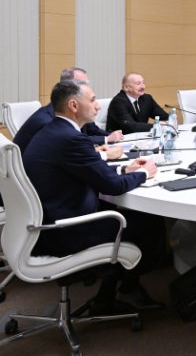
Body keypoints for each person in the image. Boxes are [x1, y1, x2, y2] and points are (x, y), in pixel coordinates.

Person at [22, 79, 167, 312]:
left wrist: (124, 169)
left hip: (45, 224)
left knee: (123, 214)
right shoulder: (71, 138)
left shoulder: (54, 131)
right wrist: (143, 173)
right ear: (73, 105)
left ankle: (108, 294)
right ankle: (122, 289)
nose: (98, 105)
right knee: (151, 224)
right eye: (92, 100)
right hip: (66, 231)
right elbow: (112, 187)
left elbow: (89, 172)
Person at [13, 67, 124, 153]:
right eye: (81, 84)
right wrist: (106, 141)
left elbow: (92, 131)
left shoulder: (78, 111)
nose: (86, 88)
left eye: (87, 83)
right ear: (67, 87)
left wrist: (117, 138)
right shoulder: (48, 121)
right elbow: (70, 141)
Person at [105, 72, 170, 134]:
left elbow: (165, 117)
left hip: (141, 136)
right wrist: (156, 125)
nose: (143, 87)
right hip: (121, 138)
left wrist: (171, 120)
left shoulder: (147, 99)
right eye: (138, 84)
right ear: (126, 87)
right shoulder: (118, 102)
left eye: (143, 83)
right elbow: (130, 127)